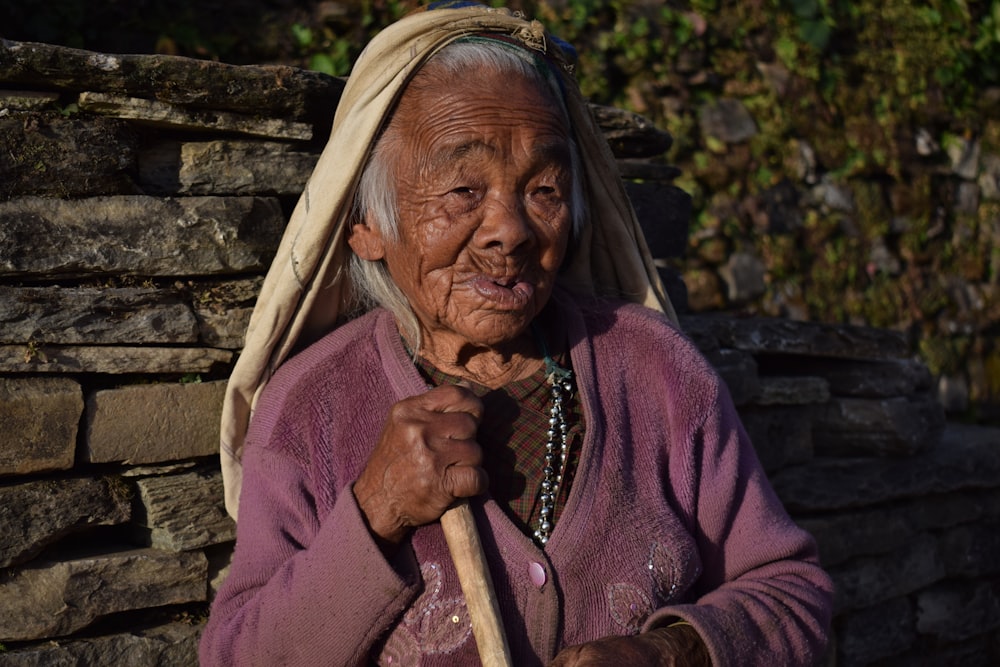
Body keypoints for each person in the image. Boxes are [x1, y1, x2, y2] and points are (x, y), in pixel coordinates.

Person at [200, 4, 833, 666]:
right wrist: (376, 507)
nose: (511, 229)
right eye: (464, 189)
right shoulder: (310, 407)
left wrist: (670, 653)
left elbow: (792, 595)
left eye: (544, 189)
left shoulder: (656, 371)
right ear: (367, 226)